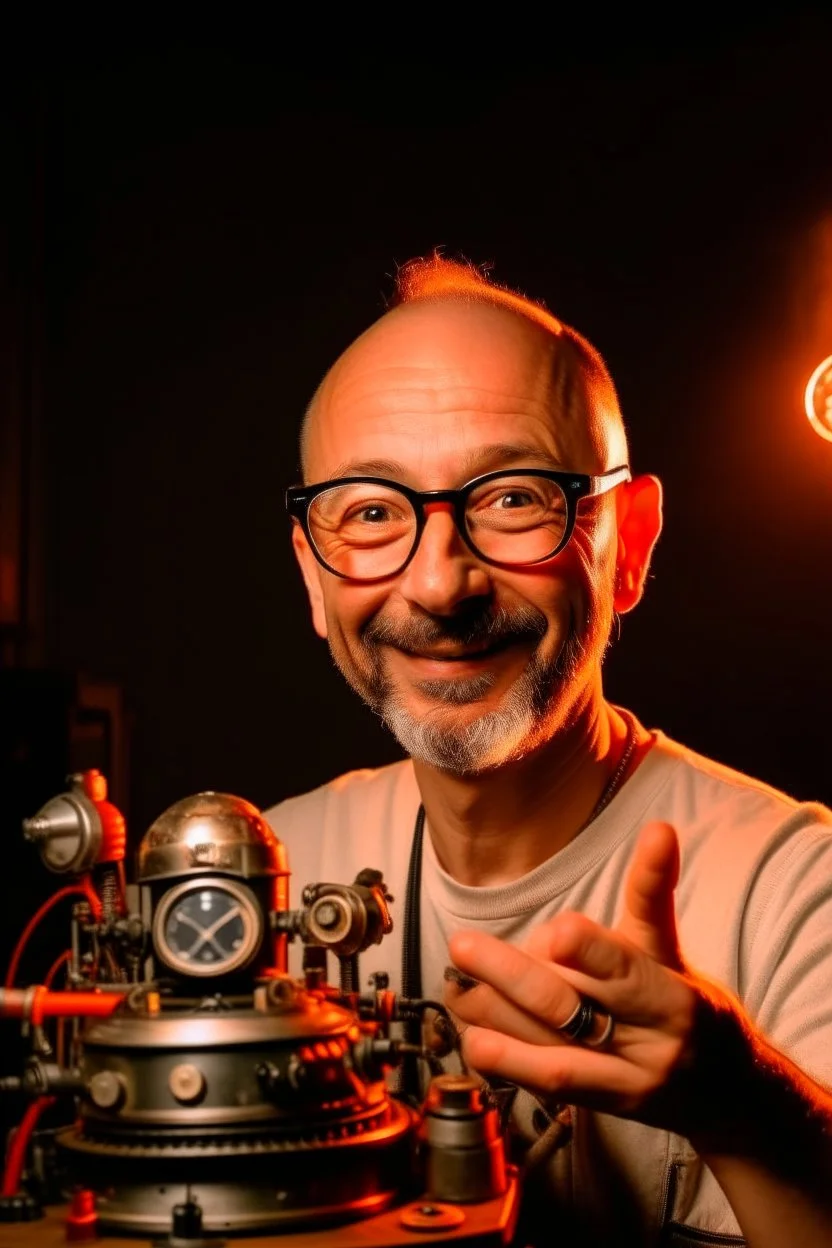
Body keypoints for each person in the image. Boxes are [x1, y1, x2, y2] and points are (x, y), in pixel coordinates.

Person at [264, 253, 832, 1247]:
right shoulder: (266, 876)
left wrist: (744, 1111)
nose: (441, 586)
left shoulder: (798, 893)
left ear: (631, 544)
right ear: (313, 577)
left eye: (513, 498)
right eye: (369, 513)